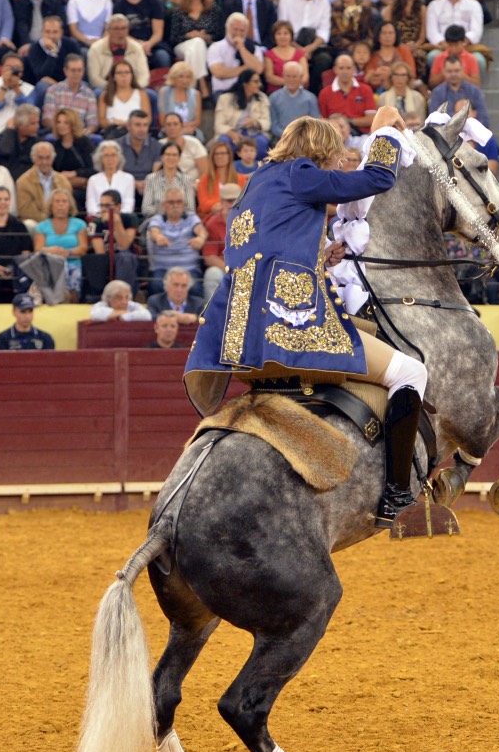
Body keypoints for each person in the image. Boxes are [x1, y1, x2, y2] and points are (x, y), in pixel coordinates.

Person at [184, 109, 429, 528]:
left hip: (241, 341)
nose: (337, 163)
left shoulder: (255, 184)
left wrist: (320, 258)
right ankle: (397, 495)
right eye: (334, 156)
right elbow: (377, 179)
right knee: (411, 372)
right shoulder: (301, 173)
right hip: (289, 328)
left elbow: (265, 251)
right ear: (318, 152)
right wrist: (386, 131)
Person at [146, 185, 207, 296]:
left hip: (189, 268)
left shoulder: (191, 217)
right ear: (164, 205)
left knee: (195, 288)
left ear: (184, 204)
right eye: (171, 202)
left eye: (179, 202)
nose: (175, 205)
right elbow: (153, 232)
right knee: (156, 286)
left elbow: (201, 230)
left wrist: (201, 238)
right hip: (163, 268)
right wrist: (158, 237)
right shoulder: (157, 219)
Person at [33, 188, 88, 300]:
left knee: (73, 273)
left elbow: (83, 248)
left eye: (64, 201)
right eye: (57, 201)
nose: (61, 205)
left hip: (73, 262)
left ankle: (72, 301)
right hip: (51, 263)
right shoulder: (42, 226)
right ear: (51, 205)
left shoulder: (80, 224)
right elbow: (38, 249)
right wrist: (52, 251)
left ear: (70, 205)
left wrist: (68, 252)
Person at [88, 188, 140, 289]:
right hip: (105, 260)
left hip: (125, 260)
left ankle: (121, 292)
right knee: (98, 261)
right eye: (101, 205)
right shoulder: (95, 223)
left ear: (118, 207)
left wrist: (116, 222)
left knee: (125, 257)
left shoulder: (130, 219)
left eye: (107, 206)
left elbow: (124, 245)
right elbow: (100, 253)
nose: (103, 209)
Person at [87, 14, 151, 92]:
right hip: (106, 87)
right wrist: (115, 88)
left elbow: (144, 76)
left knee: (151, 95)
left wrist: (134, 88)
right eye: (116, 29)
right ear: (108, 31)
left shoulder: (137, 48)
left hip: (132, 87)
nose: (120, 32)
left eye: (123, 28)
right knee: (98, 92)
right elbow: (94, 78)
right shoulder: (96, 49)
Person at [206, 12, 265, 96]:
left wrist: (242, 48)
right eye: (235, 29)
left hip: (249, 92)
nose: (238, 33)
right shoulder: (216, 47)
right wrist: (246, 68)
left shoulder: (254, 48)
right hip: (224, 92)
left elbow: (258, 69)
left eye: (242, 30)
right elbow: (219, 73)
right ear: (227, 28)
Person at [318, 52, 377, 133]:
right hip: (335, 134)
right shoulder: (325, 93)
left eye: (348, 68)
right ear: (335, 70)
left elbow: (371, 119)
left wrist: (349, 121)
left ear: (354, 69)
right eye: (341, 68)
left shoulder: (366, 90)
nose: (345, 71)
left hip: (361, 135)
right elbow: (323, 121)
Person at [0, 186, 31, 304]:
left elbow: (26, 251)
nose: (2, 202)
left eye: (6, 199)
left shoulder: (18, 225)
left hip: (16, 268)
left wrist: (15, 268)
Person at [15, 141, 73, 221]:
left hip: (60, 221)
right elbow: (26, 211)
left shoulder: (63, 180)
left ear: (53, 159)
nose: (44, 162)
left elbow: (70, 207)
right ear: (33, 159)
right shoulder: (23, 182)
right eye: (40, 158)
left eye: (48, 158)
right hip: (36, 223)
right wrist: (49, 222)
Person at [200, 180, 238, 300]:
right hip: (224, 268)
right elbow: (209, 257)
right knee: (212, 274)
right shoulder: (213, 224)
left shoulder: (252, 220)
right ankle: (212, 311)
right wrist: (231, 270)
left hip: (247, 267)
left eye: (237, 200)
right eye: (229, 201)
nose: (233, 205)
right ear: (222, 202)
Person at [42, 53, 98, 133]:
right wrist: (62, 130)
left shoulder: (89, 94)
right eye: (73, 70)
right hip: (58, 133)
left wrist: (85, 132)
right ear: (65, 71)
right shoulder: (53, 91)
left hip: (81, 134)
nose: (76, 74)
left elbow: (92, 122)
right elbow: (47, 119)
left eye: (79, 70)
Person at [427, 56, 489, 127]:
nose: (453, 74)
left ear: (463, 70)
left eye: (457, 71)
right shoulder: (437, 93)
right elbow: (433, 121)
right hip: (445, 132)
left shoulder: (475, 91)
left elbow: (484, 119)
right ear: (443, 71)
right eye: (449, 71)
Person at [87, 139, 136, 217]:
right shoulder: (93, 180)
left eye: (113, 155)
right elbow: (91, 205)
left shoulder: (128, 178)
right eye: (106, 155)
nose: (110, 159)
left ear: (119, 157)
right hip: (99, 218)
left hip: (122, 219)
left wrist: (115, 217)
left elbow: (129, 204)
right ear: (100, 158)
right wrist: (103, 216)